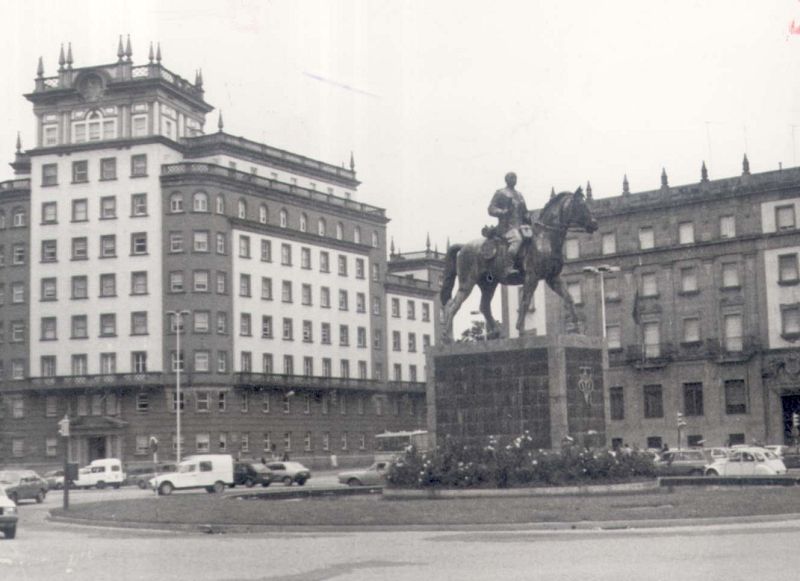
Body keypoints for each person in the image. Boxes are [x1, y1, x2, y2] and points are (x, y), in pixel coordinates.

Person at [488, 171, 531, 278]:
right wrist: (502, 212)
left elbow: (525, 211)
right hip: (506, 228)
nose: (513, 179)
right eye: (511, 177)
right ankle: (508, 266)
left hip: (520, 226)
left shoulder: (519, 195)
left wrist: (528, 216)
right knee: (517, 239)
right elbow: (491, 209)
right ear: (506, 180)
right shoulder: (501, 193)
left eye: (515, 177)